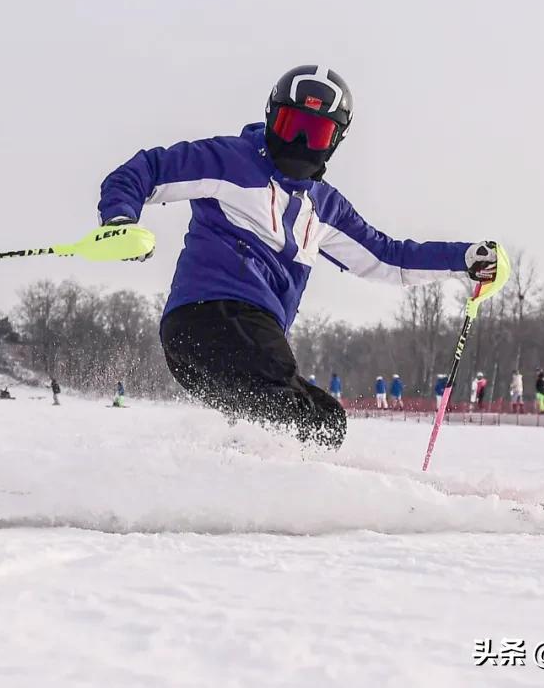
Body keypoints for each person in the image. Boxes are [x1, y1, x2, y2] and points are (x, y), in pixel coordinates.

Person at [97, 65, 499, 449]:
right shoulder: (229, 162)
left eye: (317, 134)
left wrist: (464, 259)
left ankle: (240, 482)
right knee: (297, 420)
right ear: (273, 119)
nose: (301, 145)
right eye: (292, 128)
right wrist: (120, 218)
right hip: (210, 318)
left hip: (234, 347)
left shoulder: (325, 208)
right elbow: (146, 170)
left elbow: (388, 259)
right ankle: (281, 484)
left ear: (336, 140)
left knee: (326, 420)